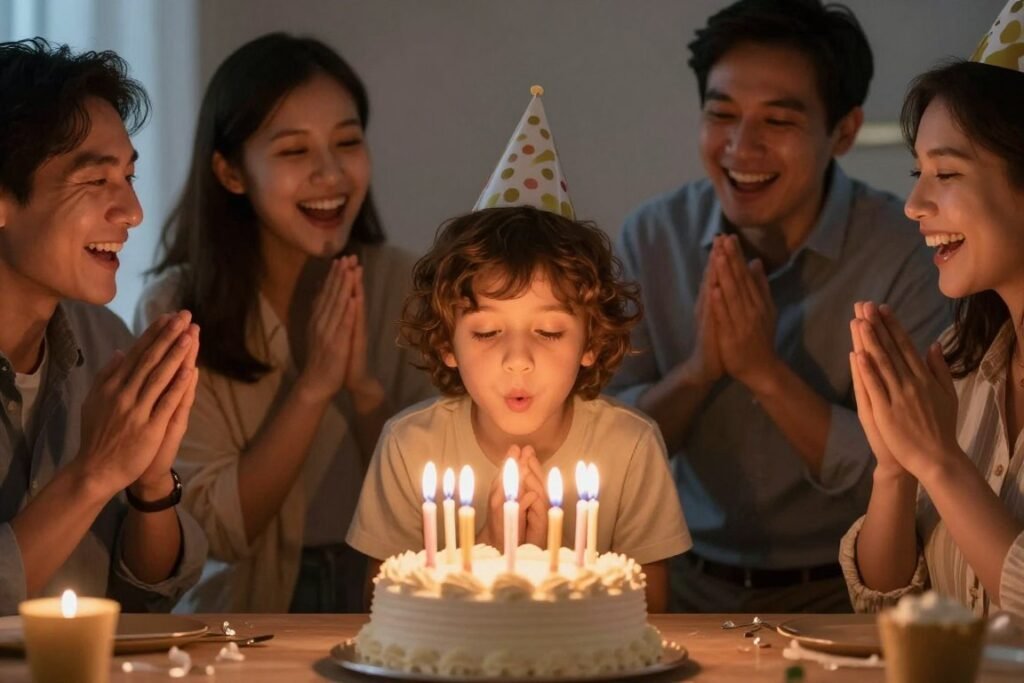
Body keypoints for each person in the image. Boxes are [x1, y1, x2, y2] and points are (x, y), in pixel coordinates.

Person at [609, 0, 949, 613]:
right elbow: (604, 446)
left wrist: (764, 373)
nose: (742, 147)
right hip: (682, 584)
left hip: (847, 593)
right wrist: (699, 371)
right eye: (722, 115)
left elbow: (913, 465)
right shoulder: (654, 236)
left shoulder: (904, 251)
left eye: (778, 120)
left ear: (843, 131)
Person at [136, 33, 433, 613]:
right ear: (231, 172)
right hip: (242, 613)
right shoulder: (177, 310)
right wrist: (314, 387)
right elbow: (217, 531)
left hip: (389, 594)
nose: (330, 172)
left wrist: (364, 393)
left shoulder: (408, 285)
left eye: (347, 142)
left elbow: (439, 504)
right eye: (294, 151)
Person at [347, 206, 692, 612]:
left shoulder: (630, 446)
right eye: (487, 332)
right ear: (446, 344)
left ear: (592, 342)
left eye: (548, 331)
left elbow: (650, 613)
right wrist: (488, 551)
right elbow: (379, 610)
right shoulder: (410, 446)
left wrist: (548, 565)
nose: (518, 360)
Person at [0, 38, 206, 615]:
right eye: (96, 181)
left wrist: (150, 483)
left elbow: (145, 597)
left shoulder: (105, 342)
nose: (132, 212)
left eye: (129, 176)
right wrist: (95, 472)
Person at [840, 0, 1024, 618]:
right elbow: (884, 606)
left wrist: (939, 461)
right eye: (918, 171)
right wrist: (895, 468)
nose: (914, 203)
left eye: (945, 173)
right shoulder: (958, 364)